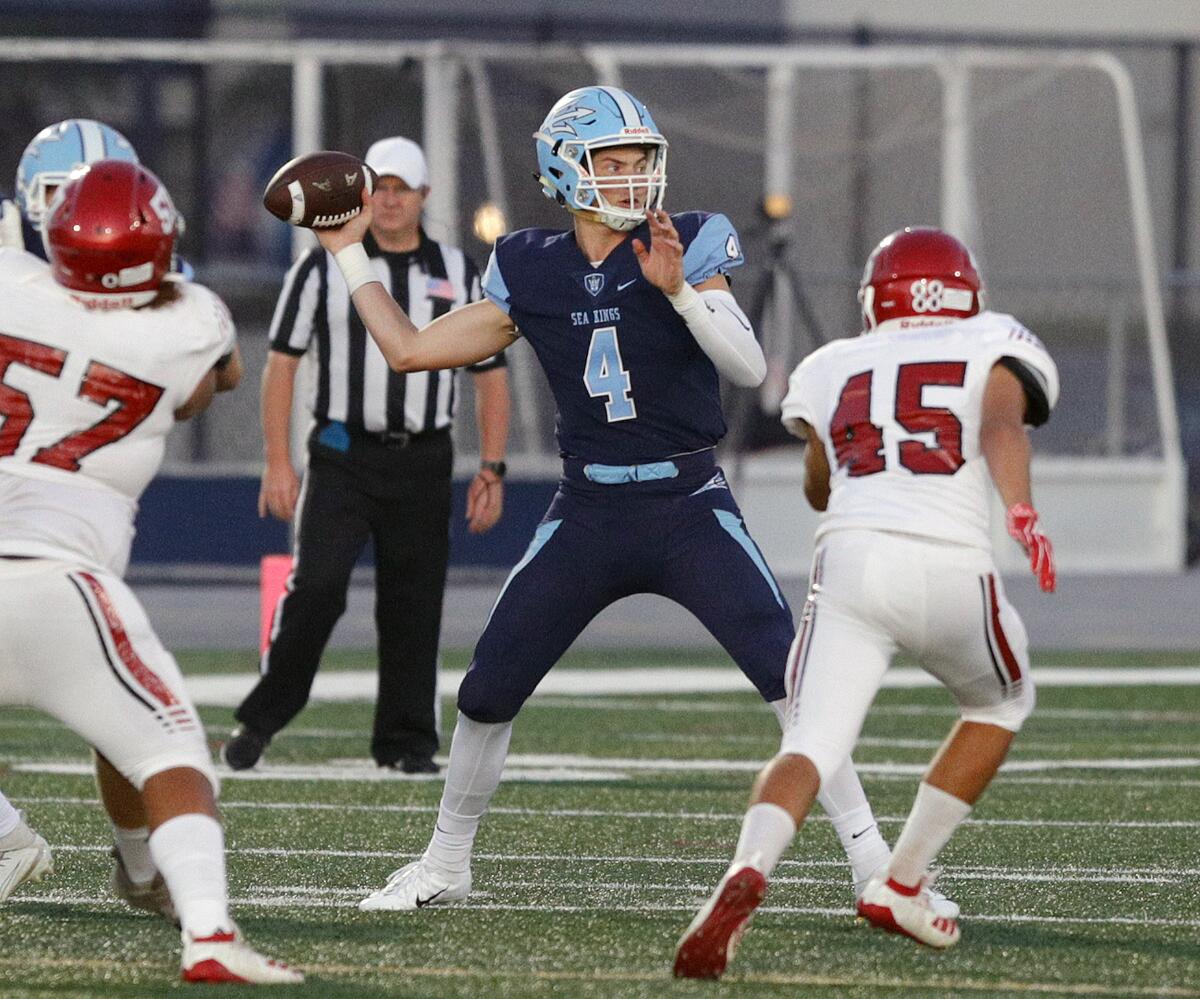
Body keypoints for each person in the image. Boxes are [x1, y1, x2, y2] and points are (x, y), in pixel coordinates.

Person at [307, 85, 948, 917]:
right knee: (486, 690)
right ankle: (445, 861)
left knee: (790, 676)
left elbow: (750, 369)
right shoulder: (529, 264)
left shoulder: (685, 241)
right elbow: (408, 349)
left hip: (688, 502)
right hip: (588, 512)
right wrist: (351, 253)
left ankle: (872, 862)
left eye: (642, 161)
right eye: (613, 163)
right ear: (564, 168)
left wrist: (680, 289)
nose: (634, 178)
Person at [673, 226, 1059, 976]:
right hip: (950, 564)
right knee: (999, 703)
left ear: (877, 298)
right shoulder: (991, 337)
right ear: (963, 291)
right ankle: (903, 880)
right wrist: (1021, 511)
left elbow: (820, 485)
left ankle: (745, 869)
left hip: (849, 566)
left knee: (809, 744)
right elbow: (1001, 422)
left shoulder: (833, 363)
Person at [0, 159, 302, 984]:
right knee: (169, 748)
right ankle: (206, 931)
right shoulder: (189, 323)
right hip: (58, 579)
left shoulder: (11, 282)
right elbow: (217, 381)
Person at [222, 136, 510, 775]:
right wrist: (277, 460)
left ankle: (406, 742)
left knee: (415, 602)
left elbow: (491, 372)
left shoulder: (462, 271)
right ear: (359, 192)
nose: (388, 199)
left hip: (424, 458)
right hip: (343, 455)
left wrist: (492, 465)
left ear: (425, 196)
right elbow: (281, 365)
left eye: (401, 189)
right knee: (316, 588)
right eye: (378, 187)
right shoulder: (321, 264)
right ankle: (263, 717)